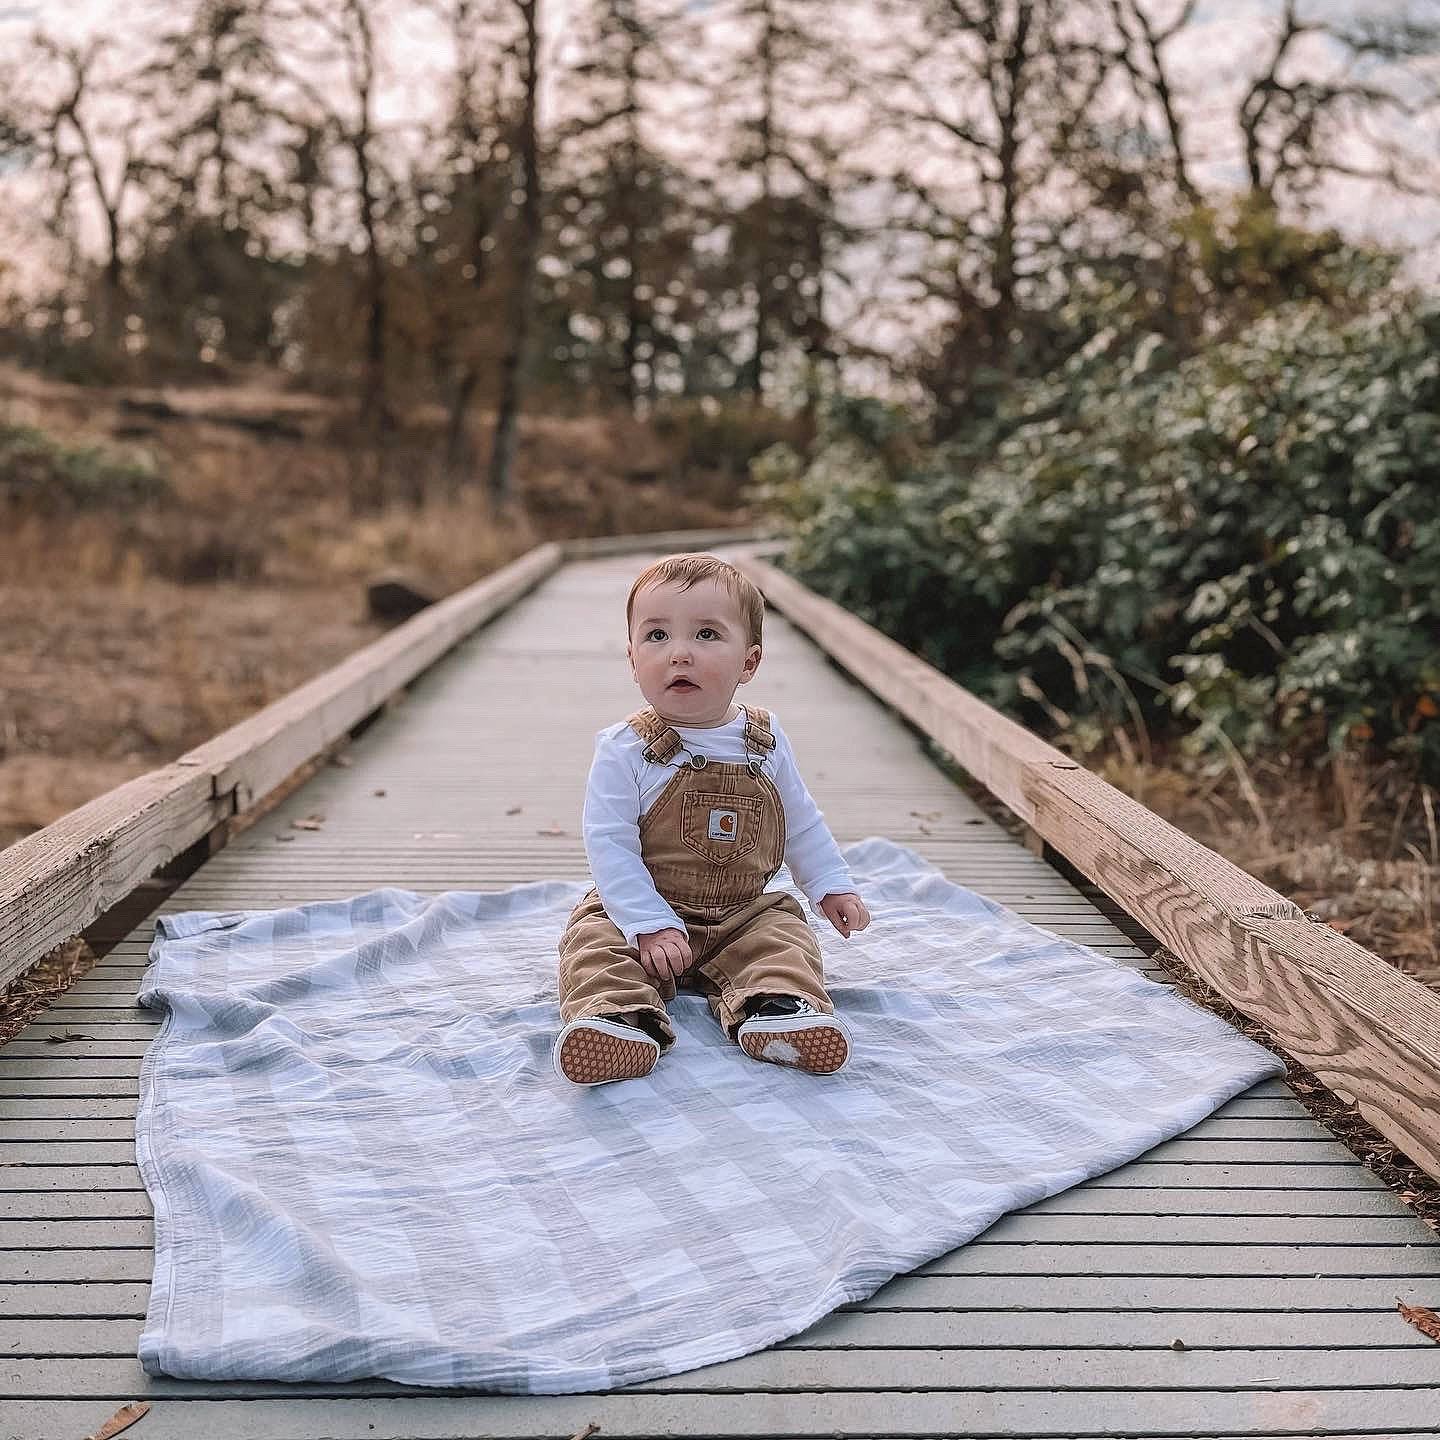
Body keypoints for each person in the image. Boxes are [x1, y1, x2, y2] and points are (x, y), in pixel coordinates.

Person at [552, 551, 871, 1087]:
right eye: (657, 637)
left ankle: (777, 1011)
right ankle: (618, 1020)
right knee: (593, 944)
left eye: (706, 635)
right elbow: (609, 844)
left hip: (744, 911)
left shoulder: (765, 741)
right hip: (642, 912)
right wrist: (647, 922)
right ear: (632, 659)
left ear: (749, 663)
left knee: (786, 938)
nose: (679, 654)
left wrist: (831, 885)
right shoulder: (625, 749)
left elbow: (800, 819)